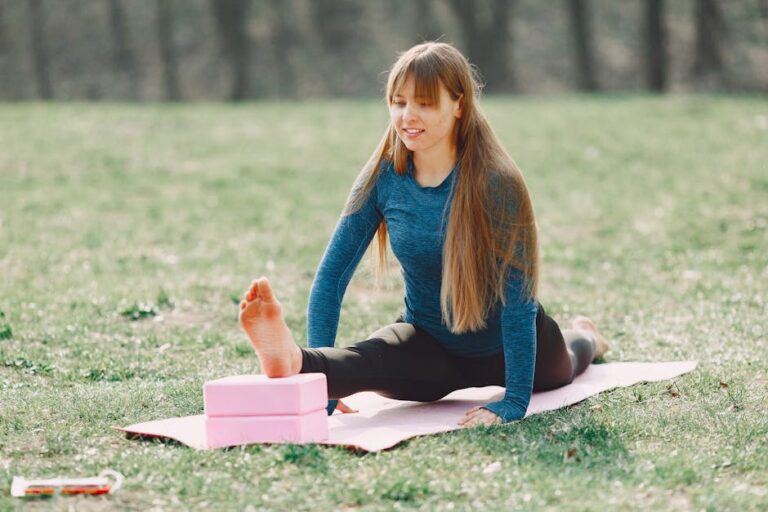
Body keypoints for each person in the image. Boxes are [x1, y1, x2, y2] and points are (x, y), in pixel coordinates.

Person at [238, 42, 609, 427]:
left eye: (425, 103)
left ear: (459, 105)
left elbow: (518, 300)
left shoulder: (496, 182)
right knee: (367, 361)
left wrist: (513, 400)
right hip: (429, 348)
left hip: (507, 346)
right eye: (398, 102)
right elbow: (332, 277)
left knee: (571, 359)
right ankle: (297, 362)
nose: (407, 115)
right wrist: (325, 393)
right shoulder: (383, 177)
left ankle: (588, 336)